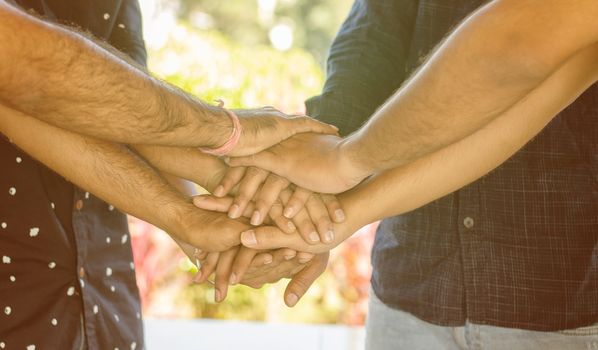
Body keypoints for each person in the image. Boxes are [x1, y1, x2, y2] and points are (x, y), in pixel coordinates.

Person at [212, 0, 598, 348]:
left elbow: (517, 44)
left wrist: (341, 165)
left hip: (565, 298)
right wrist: (327, 165)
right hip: (410, 289)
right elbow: (375, 33)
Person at [0, 0, 338, 348]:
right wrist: (227, 133)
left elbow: (118, 106)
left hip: (105, 296)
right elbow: (24, 71)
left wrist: (198, 213)